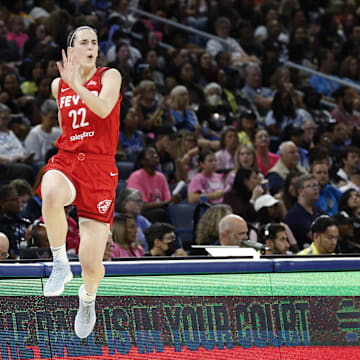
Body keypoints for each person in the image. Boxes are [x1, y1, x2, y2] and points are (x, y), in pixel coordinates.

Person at [39, 26, 122, 339]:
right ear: (70, 51)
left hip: (100, 168)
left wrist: (78, 85)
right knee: (50, 192)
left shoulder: (110, 76)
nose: (91, 46)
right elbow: (66, 127)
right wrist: (70, 84)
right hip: (69, 159)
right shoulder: (58, 85)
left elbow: (102, 110)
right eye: (84, 42)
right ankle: (60, 262)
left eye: (95, 42)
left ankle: (87, 299)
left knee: (91, 262)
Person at [127, 147, 181, 223]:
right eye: (151, 154)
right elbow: (141, 205)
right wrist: (165, 203)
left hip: (160, 211)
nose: (155, 156)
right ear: (143, 161)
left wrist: (174, 199)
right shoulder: (136, 177)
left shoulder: (161, 177)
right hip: (141, 212)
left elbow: (168, 200)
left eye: (156, 154)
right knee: (161, 214)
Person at [285, 174, 325, 250]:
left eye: (316, 185)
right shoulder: (294, 215)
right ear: (300, 191)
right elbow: (315, 237)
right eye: (311, 185)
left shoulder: (318, 210)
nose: (316, 188)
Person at [24, 99, 62, 165]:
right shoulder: (34, 134)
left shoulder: (59, 132)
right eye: (51, 118)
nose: (54, 121)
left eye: (56, 119)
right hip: (41, 165)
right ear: (43, 116)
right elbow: (35, 159)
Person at [115, 188, 151, 252]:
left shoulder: (142, 220)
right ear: (124, 203)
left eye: (141, 201)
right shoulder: (115, 219)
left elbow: (153, 236)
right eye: (137, 201)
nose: (140, 204)